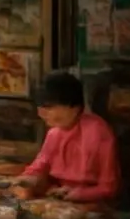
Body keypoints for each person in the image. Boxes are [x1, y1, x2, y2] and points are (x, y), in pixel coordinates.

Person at [20, 71, 121, 207]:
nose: (42, 114)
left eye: (49, 107)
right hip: (60, 203)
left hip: (95, 207)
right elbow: (39, 166)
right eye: (41, 108)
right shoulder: (54, 133)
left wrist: (79, 194)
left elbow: (109, 187)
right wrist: (26, 180)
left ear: (74, 108)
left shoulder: (98, 132)